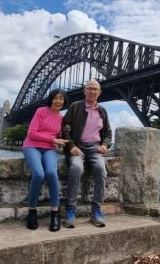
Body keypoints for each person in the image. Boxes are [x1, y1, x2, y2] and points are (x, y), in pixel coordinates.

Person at [62, 79, 111, 228]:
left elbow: (108, 133)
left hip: (95, 148)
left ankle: (96, 211)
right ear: (84, 91)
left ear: (100, 92)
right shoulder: (75, 107)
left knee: (101, 170)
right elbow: (64, 127)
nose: (92, 91)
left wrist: (105, 144)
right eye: (89, 88)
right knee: (76, 168)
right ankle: (70, 211)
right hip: (78, 147)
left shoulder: (102, 111)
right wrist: (70, 146)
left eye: (95, 89)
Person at [22, 89, 69, 232]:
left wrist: (67, 131)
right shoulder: (41, 111)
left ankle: (55, 213)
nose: (58, 101)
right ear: (51, 99)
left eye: (61, 99)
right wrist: (53, 139)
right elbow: (32, 133)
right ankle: (32, 211)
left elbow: (61, 135)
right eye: (55, 98)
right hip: (32, 146)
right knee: (39, 174)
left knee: (51, 173)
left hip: (49, 149)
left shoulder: (62, 118)